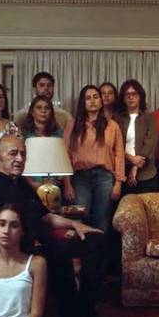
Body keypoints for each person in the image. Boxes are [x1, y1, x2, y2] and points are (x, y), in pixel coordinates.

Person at [0, 135, 114, 317]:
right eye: (13, 153)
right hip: (18, 247)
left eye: (23, 154)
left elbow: (46, 217)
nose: (19, 159)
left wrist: (75, 225)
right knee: (58, 253)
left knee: (96, 240)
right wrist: (15, 238)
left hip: (43, 241)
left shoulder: (22, 184)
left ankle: (87, 313)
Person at [62, 85, 125, 233]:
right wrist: (67, 184)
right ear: (82, 103)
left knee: (101, 219)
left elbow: (119, 155)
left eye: (96, 97)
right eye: (88, 98)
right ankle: (81, 249)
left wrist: (118, 183)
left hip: (104, 177)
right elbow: (65, 155)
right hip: (80, 177)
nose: (92, 101)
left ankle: (99, 248)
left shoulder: (112, 126)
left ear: (101, 101)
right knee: (79, 218)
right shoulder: (73, 125)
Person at [114, 79, 159, 194]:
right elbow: (113, 144)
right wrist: (130, 158)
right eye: (127, 94)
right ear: (123, 98)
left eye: (134, 94)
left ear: (140, 96)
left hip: (146, 173)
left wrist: (135, 167)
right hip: (121, 171)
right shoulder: (117, 119)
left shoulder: (149, 118)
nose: (131, 97)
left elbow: (150, 143)